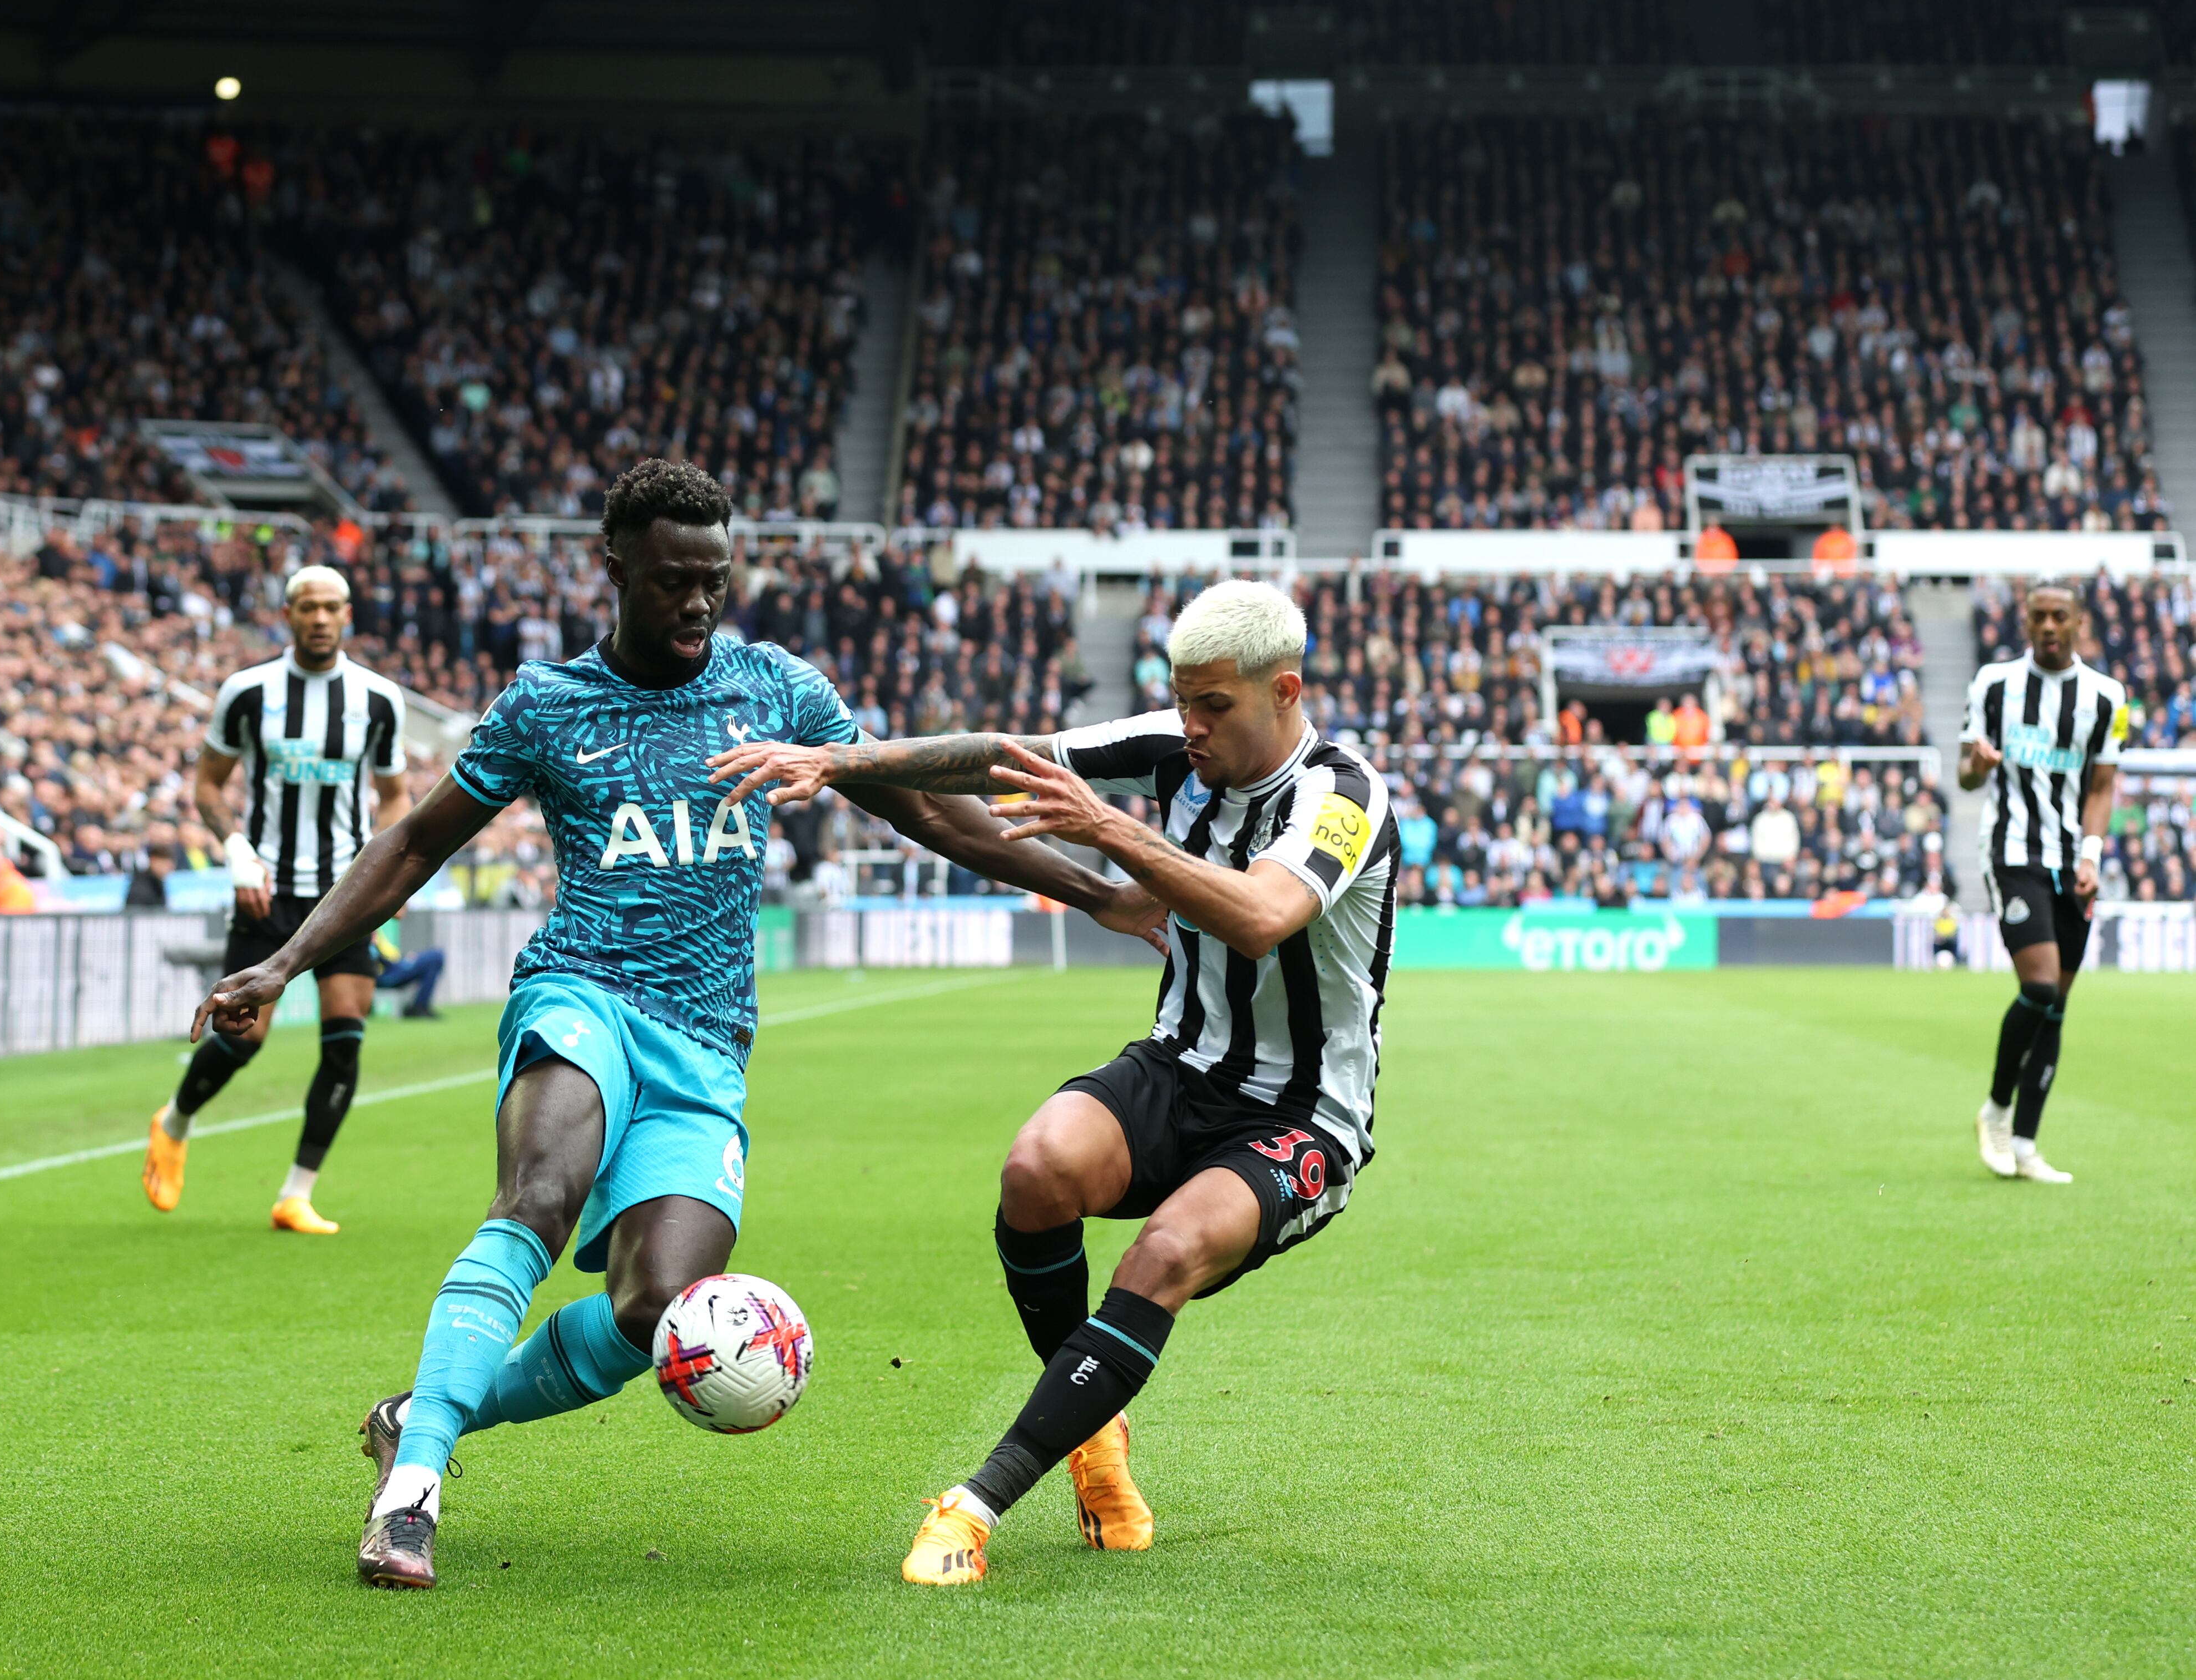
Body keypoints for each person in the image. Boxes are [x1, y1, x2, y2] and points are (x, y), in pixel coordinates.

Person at [185, 461, 1164, 1590]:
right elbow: (414, 843)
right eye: (671, 581)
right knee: (538, 1194)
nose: (697, 602)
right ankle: (415, 1488)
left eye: (714, 578)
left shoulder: (779, 690)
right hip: (581, 993)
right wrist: (292, 957)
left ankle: (418, 1414)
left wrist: (1098, 891)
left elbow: (934, 812)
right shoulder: (548, 705)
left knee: (657, 1311)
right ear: (617, 570)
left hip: (706, 1040)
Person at [711, 579, 1397, 1587]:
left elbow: (1259, 915)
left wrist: (1114, 832)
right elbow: (1000, 754)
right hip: (1180, 1064)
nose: (1191, 726)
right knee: (1035, 1167)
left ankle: (973, 1505)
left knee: (1161, 1252)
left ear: (1282, 690)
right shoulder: (1176, 742)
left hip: (1300, 1115)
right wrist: (836, 758)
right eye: (1181, 700)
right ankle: (1095, 1433)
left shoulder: (1344, 798)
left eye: (1214, 706)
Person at [142, 565, 410, 1234]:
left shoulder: (378, 699)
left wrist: (389, 872)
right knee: (246, 1033)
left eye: (331, 608)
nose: (320, 619)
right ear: (287, 614)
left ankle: (296, 1193)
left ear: (348, 614)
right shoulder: (247, 691)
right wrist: (235, 848)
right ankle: (174, 1120)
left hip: (343, 893)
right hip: (266, 891)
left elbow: (395, 793)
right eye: (307, 608)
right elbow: (209, 784)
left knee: (345, 1037)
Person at [1959, 580, 2125, 1184]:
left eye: (2060, 616)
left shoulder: (2107, 696)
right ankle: (1996, 1109)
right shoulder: (1993, 684)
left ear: (2079, 623)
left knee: (2056, 1010)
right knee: (2041, 986)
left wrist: (2092, 854)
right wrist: (1976, 765)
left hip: (2071, 861)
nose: (2049, 625)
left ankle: (2025, 1146)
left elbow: (2102, 785)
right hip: (2012, 850)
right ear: (2025, 623)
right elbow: (1967, 776)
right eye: (2039, 617)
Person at [370, 923, 444, 1018]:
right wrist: (401, 963)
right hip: (387, 975)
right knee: (436, 957)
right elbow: (377, 956)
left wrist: (404, 959)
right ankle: (419, 1006)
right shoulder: (368, 930)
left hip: (396, 967)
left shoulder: (376, 927)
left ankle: (420, 1006)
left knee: (434, 961)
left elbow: (389, 954)